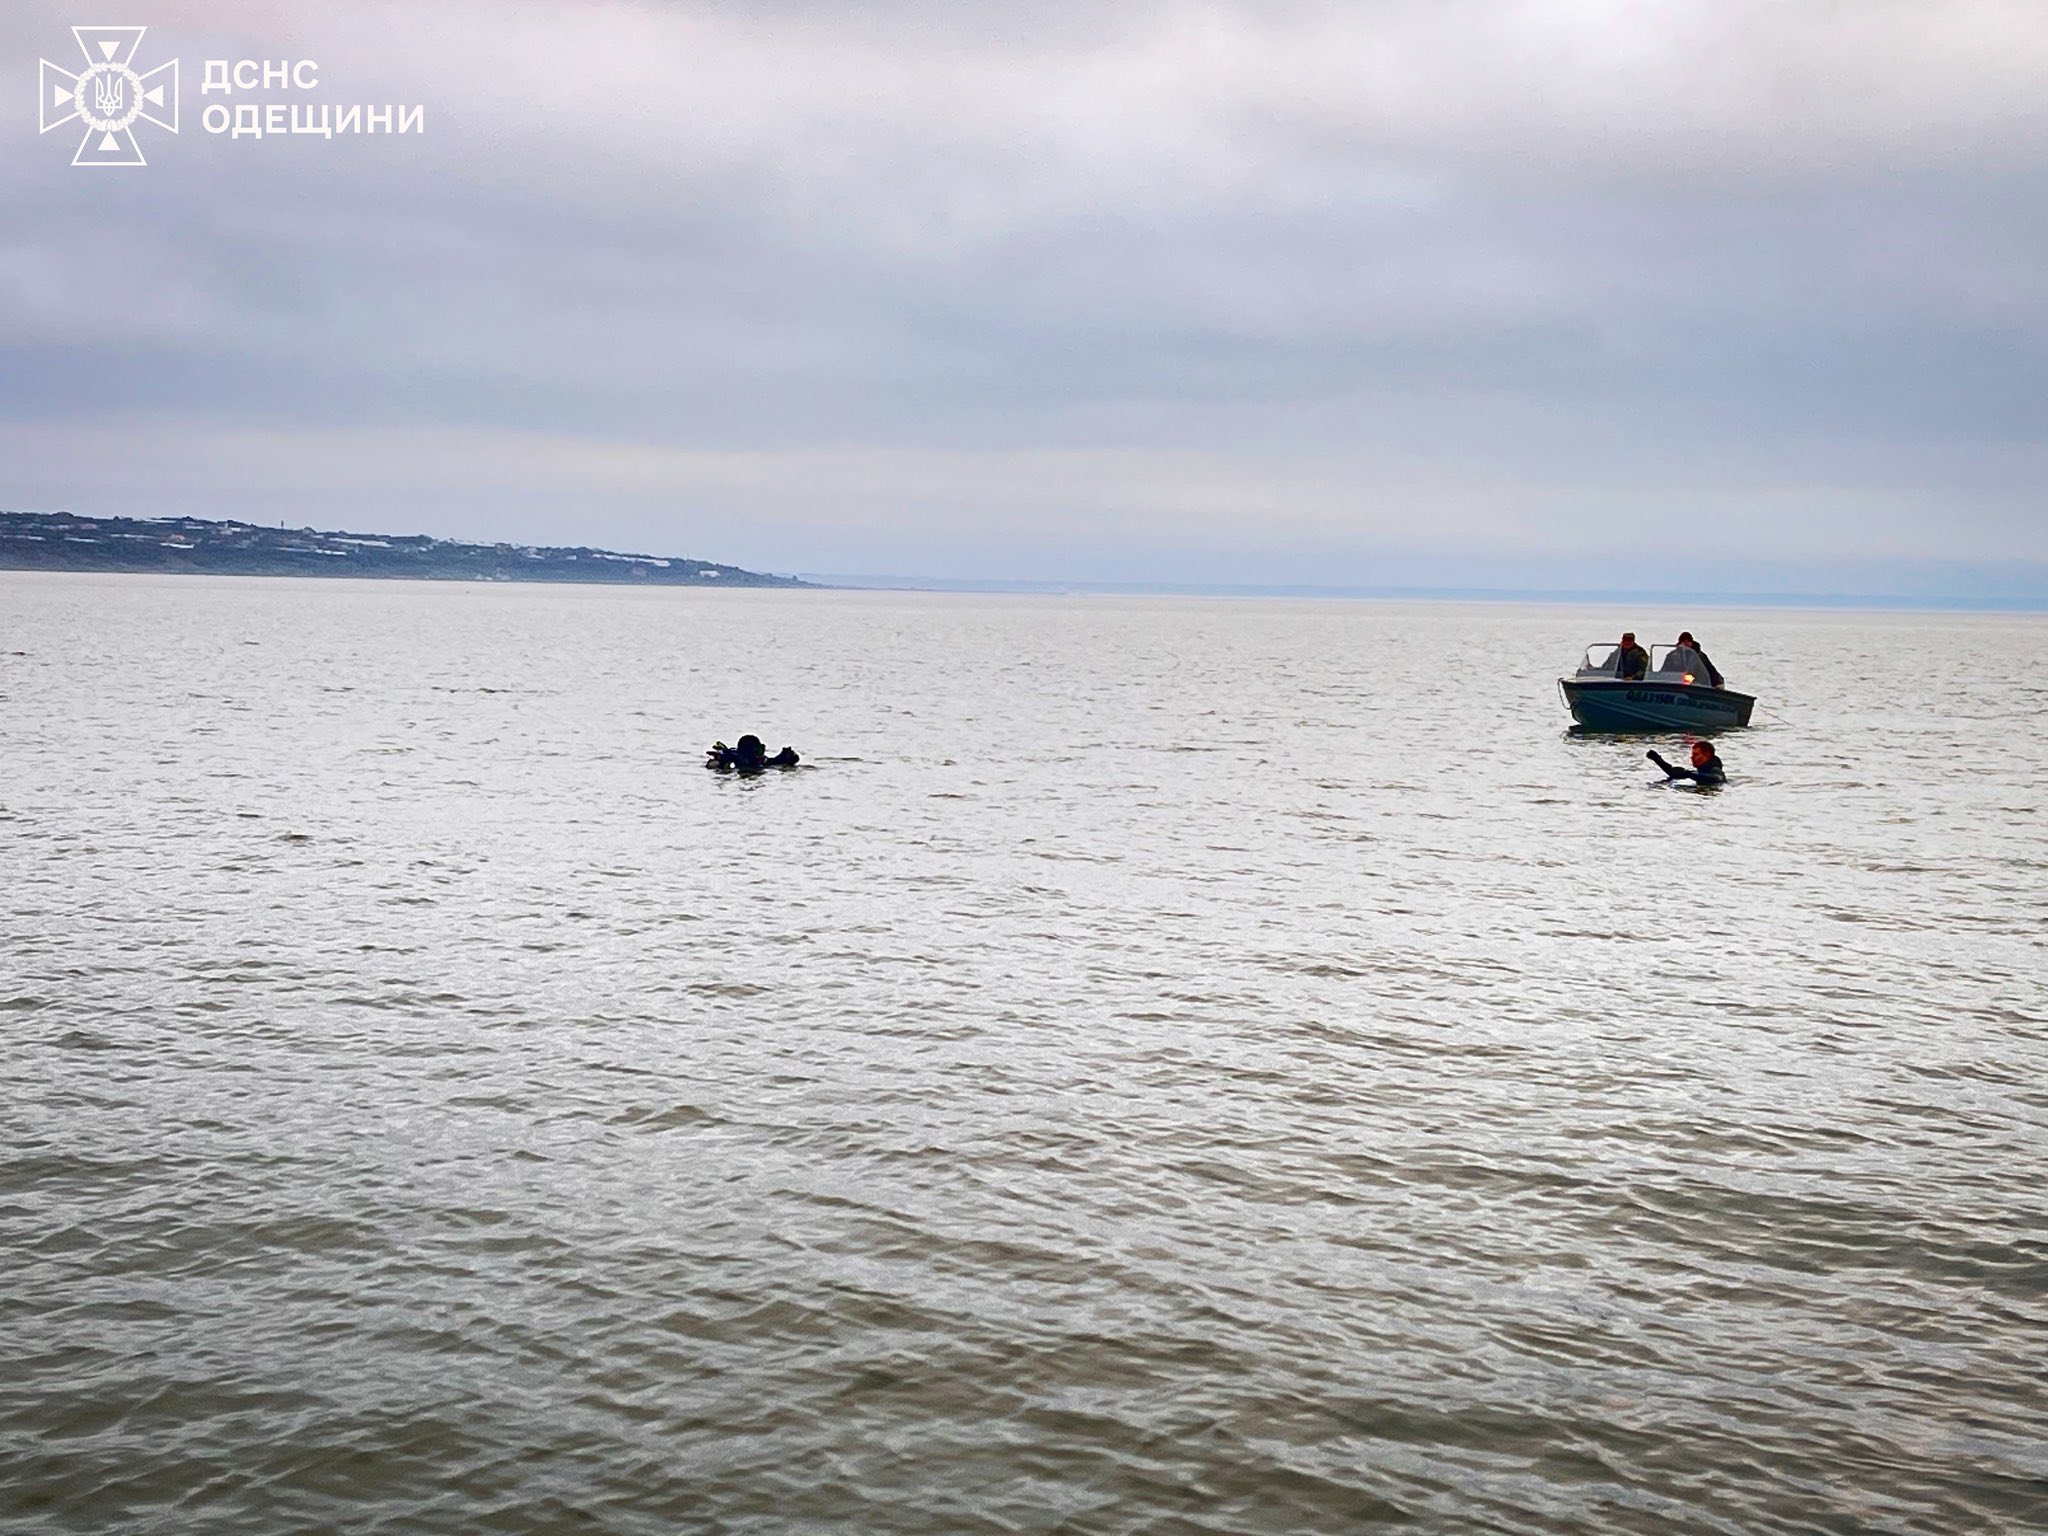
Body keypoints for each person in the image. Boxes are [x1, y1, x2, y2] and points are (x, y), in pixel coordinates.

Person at [705, 735, 801, 772]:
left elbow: (775, 762)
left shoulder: (761, 761)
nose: (761, 753)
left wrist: (787, 757)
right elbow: (712, 765)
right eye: (757, 750)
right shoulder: (734, 757)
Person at [1647, 741, 1725, 785]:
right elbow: (1673, 772)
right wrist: (1658, 760)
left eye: (1696, 755)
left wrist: (1689, 774)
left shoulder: (1715, 770)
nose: (1692, 758)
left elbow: (1717, 778)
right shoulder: (1699, 771)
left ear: (1707, 755)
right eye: (1692, 755)